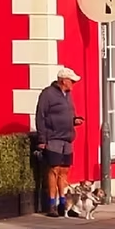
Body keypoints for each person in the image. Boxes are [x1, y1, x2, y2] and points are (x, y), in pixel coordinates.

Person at [35, 66, 85, 217]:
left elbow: (70, 113)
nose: (73, 84)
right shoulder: (47, 94)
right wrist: (42, 139)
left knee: (65, 171)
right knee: (53, 171)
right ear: (63, 81)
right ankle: (51, 204)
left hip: (67, 138)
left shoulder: (68, 95)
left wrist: (75, 120)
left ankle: (63, 203)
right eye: (72, 81)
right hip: (53, 138)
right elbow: (40, 117)